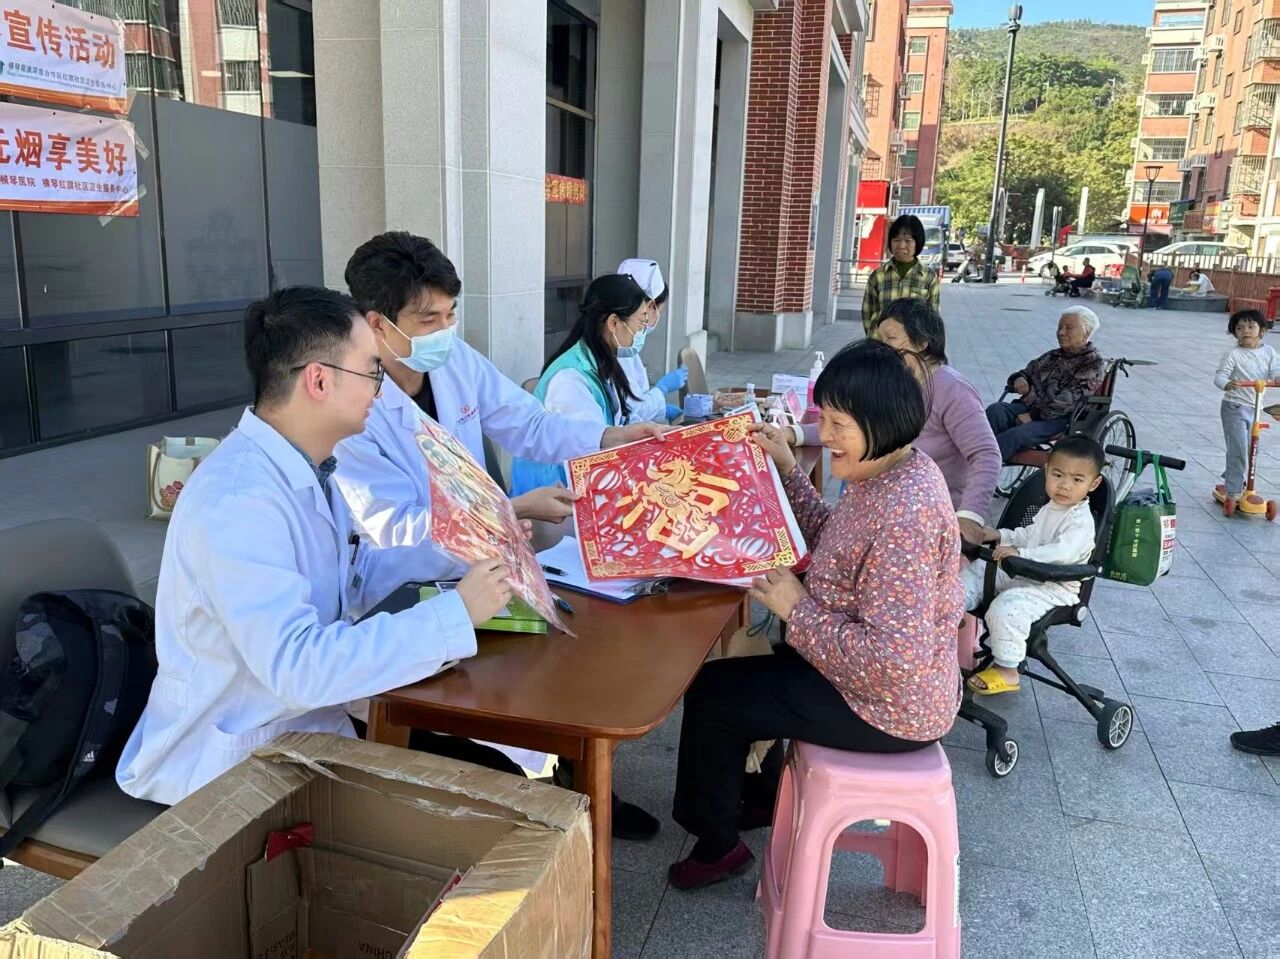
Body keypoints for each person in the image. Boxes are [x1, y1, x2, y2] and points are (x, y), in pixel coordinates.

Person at [116, 287, 518, 805]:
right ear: (320, 380)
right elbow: (298, 668)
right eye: (372, 371)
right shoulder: (236, 502)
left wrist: (458, 547)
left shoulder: (312, 466)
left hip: (307, 727)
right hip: (233, 763)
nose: (381, 390)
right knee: (490, 802)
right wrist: (454, 615)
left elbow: (358, 572)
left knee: (496, 773)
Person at [666, 340, 962, 890]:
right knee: (747, 676)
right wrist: (787, 471)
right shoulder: (891, 471)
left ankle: (717, 844)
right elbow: (832, 539)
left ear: (882, 422)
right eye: (823, 418)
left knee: (713, 695)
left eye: (837, 424)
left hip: (888, 707)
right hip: (863, 679)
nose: (822, 435)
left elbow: (891, 662)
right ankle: (755, 800)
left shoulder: (906, 516)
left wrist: (796, 609)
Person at [333, 232, 666, 546]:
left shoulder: (455, 359)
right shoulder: (350, 411)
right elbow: (395, 528)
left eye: (451, 314)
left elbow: (529, 424)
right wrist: (511, 509)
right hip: (413, 576)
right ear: (378, 324)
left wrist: (610, 437)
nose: (445, 330)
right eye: (429, 320)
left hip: (486, 554)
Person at [963, 435, 1103, 695]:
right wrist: (1000, 536)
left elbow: (1062, 553)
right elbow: (1029, 535)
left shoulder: (1080, 522)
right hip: (1024, 573)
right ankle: (952, 608)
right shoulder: (1052, 507)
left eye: (1077, 480)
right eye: (1058, 475)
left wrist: (1021, 552)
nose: (1064, 485)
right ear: (1046, 471)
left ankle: (1008, 670)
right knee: (974, 571)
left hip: (1054, 586)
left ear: (1093, 484)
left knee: (1008, 608)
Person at [510, 274, 655, 494]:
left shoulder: (601, 360)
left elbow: (619, 419)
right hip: (551, 497)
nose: (642, 331)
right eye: (641, 321)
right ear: (614, 323)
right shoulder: (569, 380)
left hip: (582, 483)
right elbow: (590, 455)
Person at [874, 298, 1001, 544]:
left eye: (891, 339)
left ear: (922, 342)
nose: (882, 348)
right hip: (890, 508)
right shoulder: (896, 381)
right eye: (880, 340)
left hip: (931, 521)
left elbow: (986, 454)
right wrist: (799, 434)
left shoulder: (952, 388)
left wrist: (969, 516)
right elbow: (857, 426)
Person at [985, 306, 1105, 460]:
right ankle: (983, 453)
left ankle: (984, 461)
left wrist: (1033, 416)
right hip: (1029, 406)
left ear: (1086, 333)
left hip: (1060, 418)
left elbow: (1067, 401)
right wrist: (1019, 379)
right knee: (996, 410)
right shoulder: (1053, 356)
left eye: (1068, 328)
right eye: (1060, 327)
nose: (1061, 332)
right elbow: (1028, 372)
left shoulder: (1092, 364)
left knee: (1015, 435)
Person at [1212, 308, 1280, 508]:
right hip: (1234, 406)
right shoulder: (1233, 354)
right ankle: (1233, 490)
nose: (1246, 331)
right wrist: (1227, 384)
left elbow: (1275, 369)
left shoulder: (1269, 352)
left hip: (1255, 407)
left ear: (1262, 330)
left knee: (1251, 450)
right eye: (1240, 328)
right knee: (1239, 449)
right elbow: (1220, 376)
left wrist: (1277, 377)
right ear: (1234, 332)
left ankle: (1232, 477)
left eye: (1251, 326)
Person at [616, 258, 687, 423]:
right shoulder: (617, 349)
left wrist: (661, 408)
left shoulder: (627, 346)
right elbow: (630, 412)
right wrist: (662, 389)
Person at [860, 214, 941, 337]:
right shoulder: (878, 276)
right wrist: (873, 338)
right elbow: (867, 312)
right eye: (896, 240)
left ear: (917, 243)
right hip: (881, 342)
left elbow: (933, 316)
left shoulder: (929, 277)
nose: (901, 245)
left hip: (913, 343)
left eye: (908, 240)